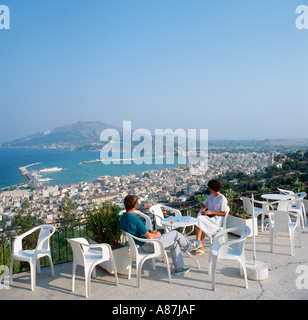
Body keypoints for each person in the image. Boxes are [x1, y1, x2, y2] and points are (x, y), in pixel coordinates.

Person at [120, 195, 201, 275]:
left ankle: (178, 268)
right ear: (135, 205)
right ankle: (190, 246)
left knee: (174, 243)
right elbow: (149, 237)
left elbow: (137, 229)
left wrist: (151, 230)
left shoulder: (123, 218)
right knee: (175, 233)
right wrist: (158, 234)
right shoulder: (136, 219)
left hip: (142, 244)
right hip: (150, 245)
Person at [194, 179, 228, 255]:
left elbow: (224, 213)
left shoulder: (222, 198)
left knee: (200, 220)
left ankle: (199, 244)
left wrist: (211, 212)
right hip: (209, 217)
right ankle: (200, 245)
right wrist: (202, 209)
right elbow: (203, 204)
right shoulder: (211, 197)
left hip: (217, 219)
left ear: (212, 189)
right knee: (200, 220)